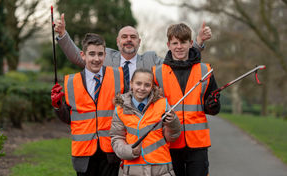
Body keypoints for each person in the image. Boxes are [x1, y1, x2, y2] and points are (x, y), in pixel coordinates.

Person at [54, 13, 212, 91]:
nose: (128, 40)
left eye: (133, 37)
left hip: (141, 123)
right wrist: (62, 34)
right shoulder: (106, 56)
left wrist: (198, 43)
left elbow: (179, 62)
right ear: (118, 41)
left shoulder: (150, 60)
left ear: (139, 42)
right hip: (112, 122)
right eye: (124, 37)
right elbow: (77, 57)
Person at [50, 33, 124, 176]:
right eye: (92, 54)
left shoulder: (118, 77)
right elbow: (68, 118)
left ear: (104, 55)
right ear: (83, 55)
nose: (96, 59)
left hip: (111, 151)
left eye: (100, 54)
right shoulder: (71, 83)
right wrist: (58, 105)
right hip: (84, 153)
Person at [152, 23, 221, 176]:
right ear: (168, 45)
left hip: (197, 144)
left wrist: (212, 105)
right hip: (168, 142)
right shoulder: (157, 73)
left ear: (191, 43)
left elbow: (214, 109)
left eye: (183, 42)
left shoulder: (205, 71)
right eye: (175, 43)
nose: (179, 47)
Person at [110, 69, 181, 176]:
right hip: (133, 170)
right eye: (138, 83)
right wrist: (129, 151)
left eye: (147, 85)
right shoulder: (120, 109)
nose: (142, 88)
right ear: (131, 84)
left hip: (162, 169)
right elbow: (116, 138)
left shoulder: (162, 104)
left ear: (152, 86)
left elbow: (172, 137)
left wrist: (173, 123)